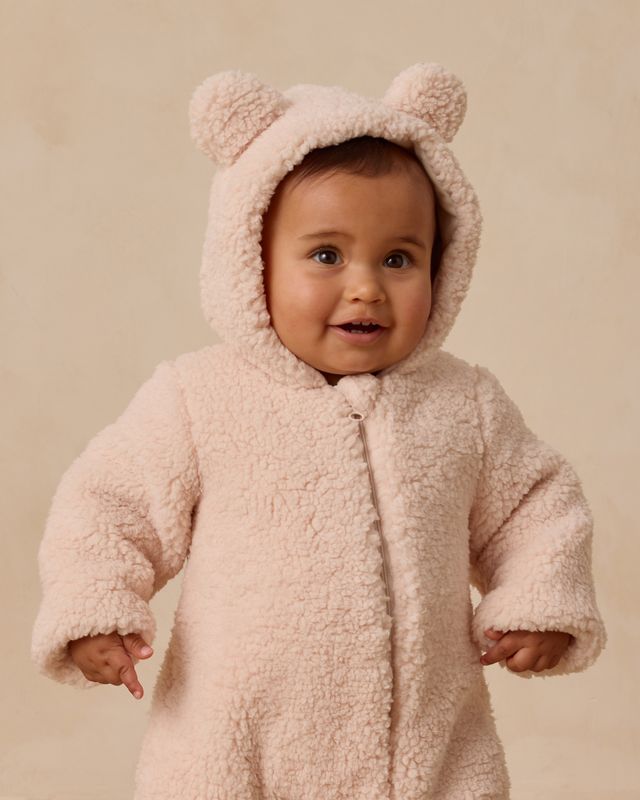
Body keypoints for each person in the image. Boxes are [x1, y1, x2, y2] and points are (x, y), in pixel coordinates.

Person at [31, 63, 607, 799]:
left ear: (444, 266)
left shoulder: (463, 403)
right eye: (326, 255)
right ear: (252, 261)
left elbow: (536, 508)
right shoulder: (200, 398)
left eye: (399, 258)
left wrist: (538, 601)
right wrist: (95, 609)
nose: (366, 286)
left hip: (428, 754)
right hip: (234, 746)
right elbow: (108, 507)